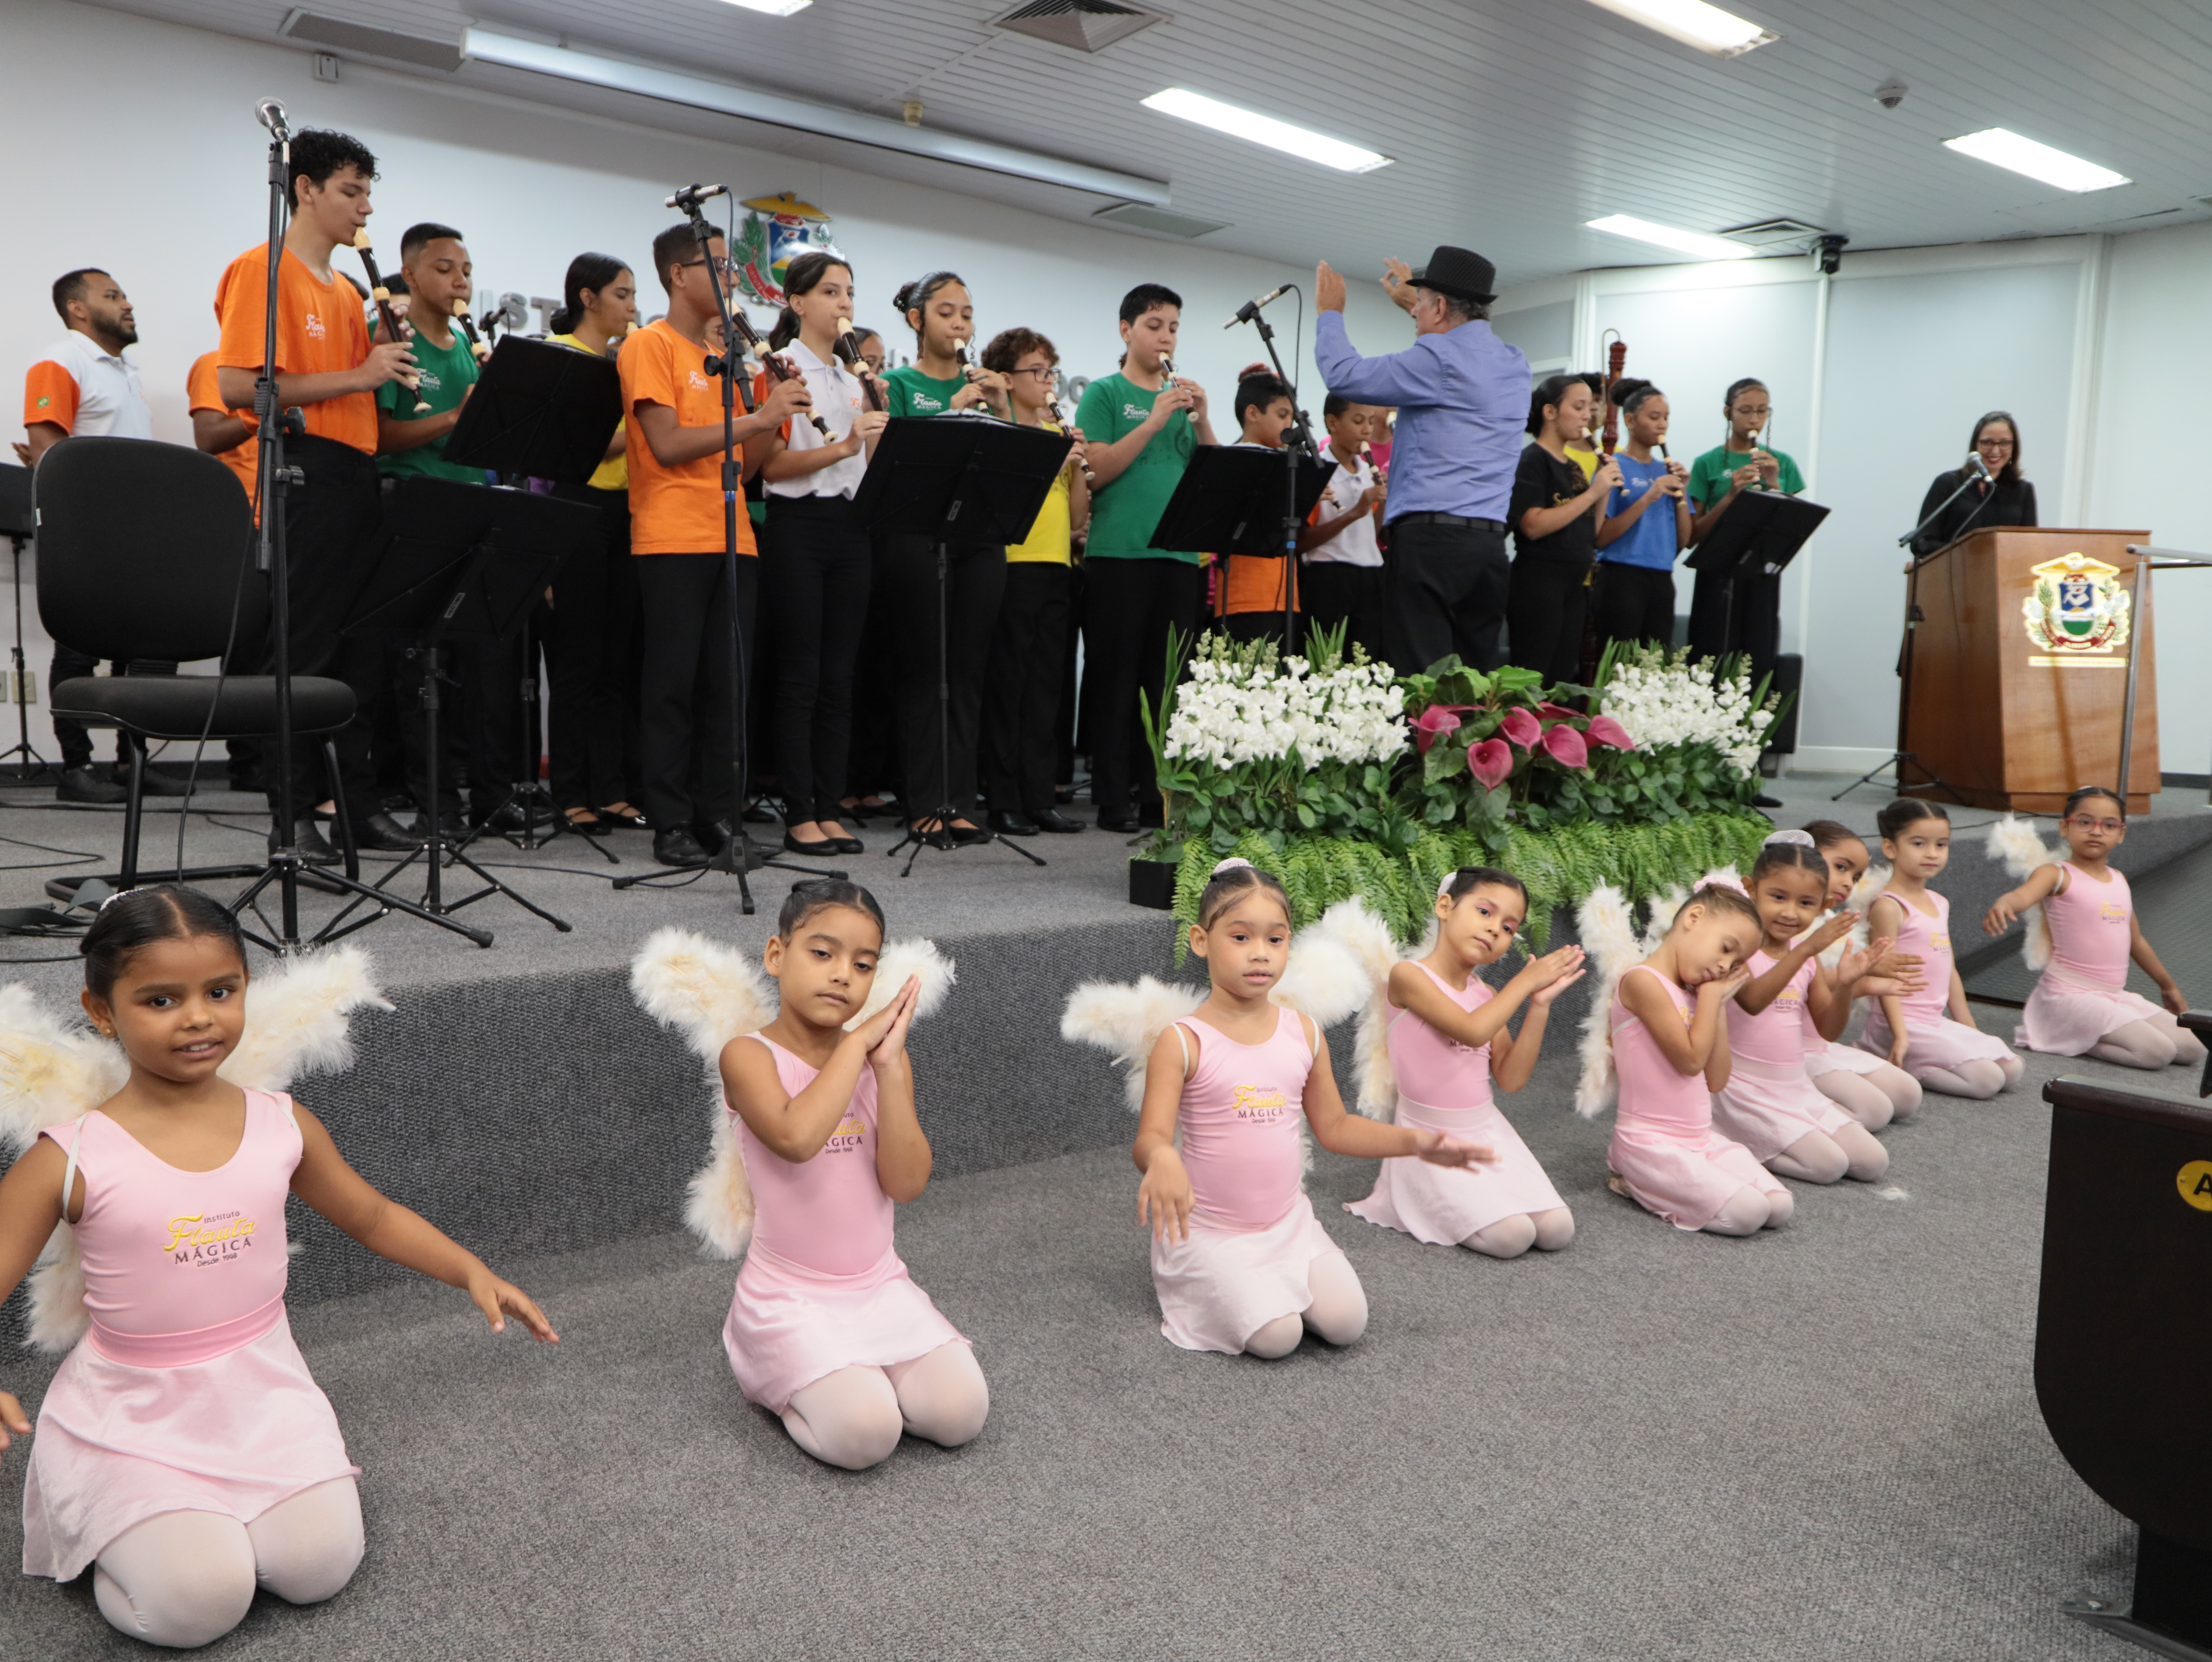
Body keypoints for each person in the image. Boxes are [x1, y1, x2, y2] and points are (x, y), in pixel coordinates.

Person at [0, 886, 555, 1649]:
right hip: (135, 1414)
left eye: (220, 992)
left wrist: (469, 1271)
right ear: (102, 1011)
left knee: (319, 1567)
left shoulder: (280, 1123)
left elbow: (373, 1215)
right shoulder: (69, 1156)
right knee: (198, 1606)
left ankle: (202, 1530)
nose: (199, 1017)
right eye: (162, 1000)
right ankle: (125, 1539)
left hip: (262, 1393)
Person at [1134, 859, 1490, 1357]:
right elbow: (1149, 1137)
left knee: (1347, 1323)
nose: (1260, 954)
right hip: (1211, 1230)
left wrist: (1417, 1141)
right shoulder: (1184, 1040)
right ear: (1200, 940)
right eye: (1240, 938)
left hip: (1287, 1224)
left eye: (1275, 939)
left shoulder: (1302, 1031)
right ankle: (1206, 1283)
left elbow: (1336, 1126)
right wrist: (1163, 1158)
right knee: (1278, 1337)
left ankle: (1270, 1283)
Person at [716, 880, 987, 1469]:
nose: (843, 975)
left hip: (878, 1285)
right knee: (866, 1436)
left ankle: (857, 1371)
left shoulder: (882, 1057)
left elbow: (907, 1184)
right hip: (788, 1294)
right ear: (776, 955)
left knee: (962, 1413)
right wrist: (856, 1046)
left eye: (863, 965)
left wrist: (887, 1069)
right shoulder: (748, 1056)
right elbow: (796, 1138)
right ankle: (768, 1366)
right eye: (823, 953)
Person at [215, 129, 419, 860]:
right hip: (303, 471)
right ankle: (291, 817)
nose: (364, 209)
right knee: (302, 656)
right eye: (350, 191)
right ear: (304, 188)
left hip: (358, 472)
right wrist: (361, 377)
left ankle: (355, 809)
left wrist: (388, 374)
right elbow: (240, 386)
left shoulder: (351, 291)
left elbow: (360, 391)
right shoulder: (263, 270)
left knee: (362, 655)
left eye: (368, 193)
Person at [622, 222, 811, 869]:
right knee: (673, 687)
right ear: (680, 274)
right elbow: (667, 445)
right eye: (722, 267)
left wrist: (772, 410)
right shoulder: (651, 344)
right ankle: (670, 823)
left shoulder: (730, 358)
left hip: (736, 539)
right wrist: (756, 418)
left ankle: (721, 820)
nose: (734, 279)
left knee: (727, 689)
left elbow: (750, 463)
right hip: (672, 535)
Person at [1345, 867, 1582, 1257]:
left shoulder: (1486, 994)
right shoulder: (1408, 976)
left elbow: (1511, 1077)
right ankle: (1420, 1199)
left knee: (1558, 1229)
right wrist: (1524, 982)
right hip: (1431, 1137)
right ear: (1445, 906)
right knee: (1512, 1237)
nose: (1494, 930)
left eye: (1509, 927)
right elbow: (1472, 1031)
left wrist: (1539, 1005)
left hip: (1487, 1129)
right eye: (1485, 912)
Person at [1313, 247, 1527, 676]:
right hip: (1488, 549)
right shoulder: (1513, 363)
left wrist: (1330, 313)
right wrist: (1419, 305)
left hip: (1431, 545)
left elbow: (1344, 375)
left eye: (1425, 303)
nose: (1417, 315)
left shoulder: (1437, 360)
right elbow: (1460, 345)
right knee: (1477, 691)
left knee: (1422, 683)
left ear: (1442, 306)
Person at [22, 268, 178, 807]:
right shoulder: (61, 361)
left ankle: (129, 762)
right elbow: (48, 450)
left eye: (126, 294)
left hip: (139, 531)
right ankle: (76, 767)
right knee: (80, 650)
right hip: (91, 532)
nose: (128, 303)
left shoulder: (124, 371)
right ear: (78, 309)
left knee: (141, 653)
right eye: (112, 295)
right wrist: (84, 530)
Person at [755, 252, 888, 857]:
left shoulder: (856, 377)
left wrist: (878, 435)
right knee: (801, 675)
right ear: (797, 302)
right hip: (798, 525)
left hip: (852, 527)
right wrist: (843, 450)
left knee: (842, 677)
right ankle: (799, 809)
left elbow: (871, 471)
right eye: (831, 292)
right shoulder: (781, 370)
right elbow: (773, 467)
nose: (844, 304)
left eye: (850, 293)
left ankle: (830, 807)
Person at [374, 222, 503, 842]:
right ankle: (433, 806)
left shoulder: (463, 344)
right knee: (416, 667)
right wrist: (457, 415)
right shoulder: (392, 338)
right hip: (414, 502)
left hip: (471, 505)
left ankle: (475, 795)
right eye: (447, 268)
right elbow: (380, 437)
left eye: (468, 270)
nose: (461, 281)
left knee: (470, 667)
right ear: (411, 275)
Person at [1075, 282, 1216, 833]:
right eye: (1155, 325)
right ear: (1126, 330)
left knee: (1170, 685)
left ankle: (1156, 796)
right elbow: (1098, 469)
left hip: (1179, 559)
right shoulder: (1106, 394)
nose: (1165, 337)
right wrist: (1155, 419)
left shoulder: (1182, 401)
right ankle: (1113, 798)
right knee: (1117, 679)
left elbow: (1212, 478)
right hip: (1119, 556)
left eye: (1174, 328)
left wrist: (1201, 419)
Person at [879, 271, 1011, 845]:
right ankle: (925, 801)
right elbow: (897, 460)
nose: (960, 324)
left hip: (979, 538)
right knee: (925, 670)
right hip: (918, 539)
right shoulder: (897, 383)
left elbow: (1009, 470)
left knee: (968, 672)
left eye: (967, 314)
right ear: (917, 320)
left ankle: (960, 799)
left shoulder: (983, 383)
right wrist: (953, 410)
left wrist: (1002, 410)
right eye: (947, 313)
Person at [1607, 882, 1793, 1235]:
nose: (1725, 967)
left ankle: (1673, 1184)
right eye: (1726, 949)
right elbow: (1690, 1062)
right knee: (1749, 1214)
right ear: (1694, 917)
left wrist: (1717, 1005)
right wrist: (1711, 999)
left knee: (1780, 1206)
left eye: (1736, 964)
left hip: (1700, 1140)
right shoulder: (1642, 982)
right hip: (1650, 1142)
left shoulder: (1699, 995)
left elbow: (1716, 1080)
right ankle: (1634, 1178)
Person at [1983, 786, 2207, 1070]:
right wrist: (2005, 904)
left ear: (2122, 833)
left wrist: (2168, 986)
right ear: (2065, 828)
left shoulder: (2119, 880)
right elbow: (2023, 895)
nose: (2097, 831)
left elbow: (2135, 940)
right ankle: (2062, 1033)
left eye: (2109, 825)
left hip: (2112, 995)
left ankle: (2086, 1032)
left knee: (2193, 1047)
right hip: (2069, 996)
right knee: (2158, 1053)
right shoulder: (2056, 873)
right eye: (2085, 822)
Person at [1715, 835, 1892, 1184]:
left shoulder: (1805, 957)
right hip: (1745, 1088)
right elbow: (1752, 1002)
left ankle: (1778, 1136)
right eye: (1778, 897)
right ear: (1751, 889)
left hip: (1794, 1086)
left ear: (1822, 906)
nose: (1790, 913)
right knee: (1828, 1168)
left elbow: (1828, 1030)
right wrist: (1806, 950)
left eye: (1806, 903)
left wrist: (1844, 985)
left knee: (1873, 1163)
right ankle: (1734, 1135)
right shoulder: (1739, 948)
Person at [547, 253, 646, 835]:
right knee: (577, 662)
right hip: (575, 506)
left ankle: (610, 788)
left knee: (617, 660)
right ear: (588, 298)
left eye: (633, 296)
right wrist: (644, 426)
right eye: (622, 295)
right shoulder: (562, 356)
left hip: (626, 512)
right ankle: (569, 791)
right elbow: (574, 444)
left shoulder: (625, 362)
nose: (632, 307)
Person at [978, 325, 1087, 837]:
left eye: (1051, 371)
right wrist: (1051, 465)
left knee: (1047, 688)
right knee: (1010, 687)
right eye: (1037, 372)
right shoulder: (1002, 431)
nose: (1048, 382)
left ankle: (1039, 796)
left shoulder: (1055, 436)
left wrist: (1079, 468)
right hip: (1013, 565)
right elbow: (1006, 501)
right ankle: (1002, 800)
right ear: (1007, 378)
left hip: (1057, 566)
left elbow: (1077, 516)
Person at [1860, 798, 2025, 1098]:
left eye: (1941, 845)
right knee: (1986, 1081)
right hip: (1900, 1022)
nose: (1932, 854)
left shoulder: (1940, 902)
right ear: (1890, 848)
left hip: (1932, 1021)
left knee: (2012, 1068)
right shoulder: (1888, 906)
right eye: (1919, 844)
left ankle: (1925, 1057)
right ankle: (1887, 1052)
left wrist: (1971, 1029)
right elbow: (1885, 979)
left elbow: (1948, 969)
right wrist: (1900, 1034)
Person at [1798, 820, 1925, 1127]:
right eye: (1840, 867)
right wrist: (1864, 979)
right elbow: (1792, 986)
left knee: (1908, 1095)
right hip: (1787, 1045)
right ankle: (1781, 1108)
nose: (1847, 883)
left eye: (1855, 877)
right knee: (1875, 1112)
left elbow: (1821, 1003)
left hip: (1818, 1038)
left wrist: (1864, 983)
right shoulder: (1785, 920)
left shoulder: (1833, 921)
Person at [1686, 378, 1806, 678]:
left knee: (1757, 656)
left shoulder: (1783, 462)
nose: (1755, 419)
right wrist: (1730, 496)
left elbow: (1792, 526)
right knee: (1710, 654)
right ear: (1729, 413)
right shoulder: (1707, 463)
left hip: (1761, 572)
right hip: (1717, 571)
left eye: (1763, 411)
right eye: (1746, 411)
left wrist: (1775, 483)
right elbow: (1692, 536)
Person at [1508, 373, 1618, 685]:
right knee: (1533, 674)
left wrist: (1604, 488)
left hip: (1575, 582)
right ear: (1550, 412)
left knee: (1561, 678)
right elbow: (1532, 525)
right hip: (1540, 580)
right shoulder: (1532, 460)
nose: (1588, 415)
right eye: (1579, 407)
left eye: (1589, 408)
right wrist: (1593, 493)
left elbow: (1590, 532)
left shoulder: (1571, 465)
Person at [1590, 378, 1691, 651]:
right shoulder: (1613, 467)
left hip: (1661, 577)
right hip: (1621, 576)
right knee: (1617, 665)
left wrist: (1684, 492)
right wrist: (1648, 497)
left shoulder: (1668, 471)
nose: (1662, 425)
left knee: (1655, 666)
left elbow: (1684, 538)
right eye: (1654, 417)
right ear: (1631, 421)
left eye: (1666, 418)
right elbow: (1600, 538)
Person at [1297, 395, 1388, 662]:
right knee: (1326, 661)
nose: (1367, 431)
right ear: (1332, 423)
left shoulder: (1367, 471)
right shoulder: (1316, 469)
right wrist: (1356, 511)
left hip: (1370, 574)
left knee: (1365, 662)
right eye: (1358, 421)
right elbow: (1302, 541)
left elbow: (1372, 532)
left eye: (1371, 422)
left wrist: (1382, 500)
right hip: (1328, 575)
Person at [1217, 370, 1304, 646]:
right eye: (1282, 416)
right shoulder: (1231, 461)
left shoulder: (1289, 464)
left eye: (1291, 416)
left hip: (1287, 597)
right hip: (1242, 598)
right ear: (1252, 413)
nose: (1289, 423)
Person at [1911, 412, 2036, 557]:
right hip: (1951, 574)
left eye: (2005, 443)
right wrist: (1966, 555)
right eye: (1987, 442)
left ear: (2014, 447)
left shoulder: (2024, 490)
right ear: (1975, 445)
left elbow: (2030, 546)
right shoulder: (1948, 483)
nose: (1995, 451)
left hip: (2004, 576)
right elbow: (1922, 542)